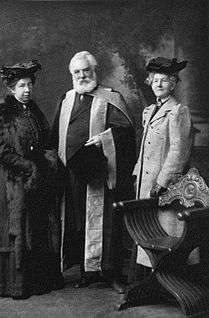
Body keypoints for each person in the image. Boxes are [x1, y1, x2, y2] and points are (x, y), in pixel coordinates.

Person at [50, 51, 135, 293]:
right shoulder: (66, 100)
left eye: (85, 70)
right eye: (76, 72)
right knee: (79, 222)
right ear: (71, 75)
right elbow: (54, 135)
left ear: (94, 71)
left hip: (101, 171)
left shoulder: (110, 98)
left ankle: (110, 272)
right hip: (73, 174)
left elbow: (126, 132)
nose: (81, 75)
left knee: (107, 224)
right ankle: (87, 272)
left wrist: (104, 139)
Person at [0, 60, 64, 299]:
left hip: (36, 180)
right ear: (12, 88)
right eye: (22, 85)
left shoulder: (34, 110)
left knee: (38, 228)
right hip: (14, 182)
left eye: (30, 84)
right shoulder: (3, 112)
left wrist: (46, 161)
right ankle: (16, 285)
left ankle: (39, 281)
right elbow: (0, 151)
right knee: (19, 229)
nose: (27, 89)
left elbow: (47, 141)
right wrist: (27, 166)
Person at [132, 57, 193, 278]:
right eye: (155, 80)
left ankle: (169, 279)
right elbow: (144, 148)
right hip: (146, 181)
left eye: (165, 81)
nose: (158, 84)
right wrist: (137, 172)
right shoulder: (149, 111)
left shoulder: (178, 111)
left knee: (165, 229)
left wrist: (162, 181)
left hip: (165, 185)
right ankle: (151, 279)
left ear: (174, 84)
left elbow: (178, 151)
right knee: (147, 228)